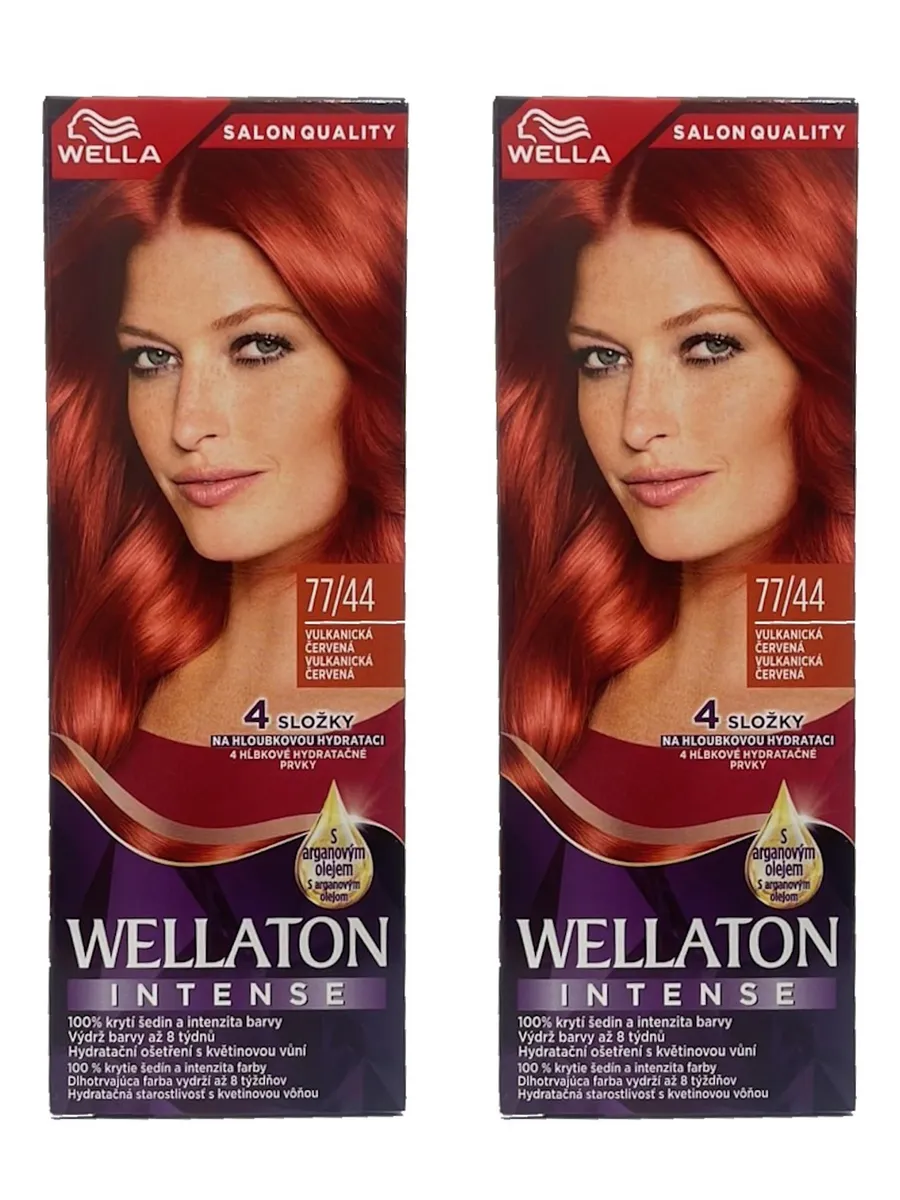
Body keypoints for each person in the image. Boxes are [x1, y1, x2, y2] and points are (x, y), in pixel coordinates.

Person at [48, 147, 406, 860]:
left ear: (377, 360)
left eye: (257, 347)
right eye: (152, 359)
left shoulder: (477, 702)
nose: (187, 425)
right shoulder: (93, 673)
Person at [497, 148, 855, 857]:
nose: (638, 424)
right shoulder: (540, 678)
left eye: (708, 347)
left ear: (828, 355)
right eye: (602, 359)